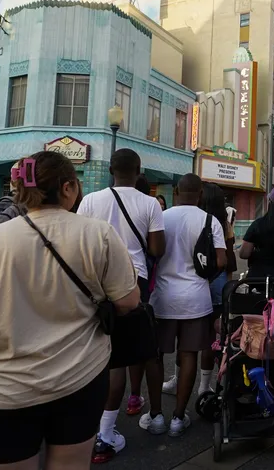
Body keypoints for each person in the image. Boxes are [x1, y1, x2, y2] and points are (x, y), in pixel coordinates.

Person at [0, 151, 141, 470]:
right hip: (80, 379)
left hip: (3, 387)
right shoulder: (98, 234)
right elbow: (129, 301)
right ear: (67, 188)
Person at [75, 149, 167, 459]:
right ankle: (105, 433)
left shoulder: (90, 201)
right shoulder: (149, 203)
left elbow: (79, 242)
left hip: (95, 283)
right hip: (133, 284)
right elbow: (157, 248)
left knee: (101, 354)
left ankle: (93, 428)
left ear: (111, 171)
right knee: (129, 353)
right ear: (139, 171)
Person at [149, 173, 226, 437]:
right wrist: (203, 278)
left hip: (162, 298)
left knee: (156, 355)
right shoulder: (210, 220)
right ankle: (178, 418)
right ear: (200, 194)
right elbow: (221, 261)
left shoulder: (162, 217)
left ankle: (156, 416)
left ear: (176, 192)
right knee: (189, 354)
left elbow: (152, 252)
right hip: (196, 299)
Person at [198, 183, 236, 399]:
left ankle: (178, 379)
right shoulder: (223, 224)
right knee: (214, 337)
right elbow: (229, 260)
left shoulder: (195, 219)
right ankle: (205, 385)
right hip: (218, 282)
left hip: (194, 280)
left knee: (189, 335)